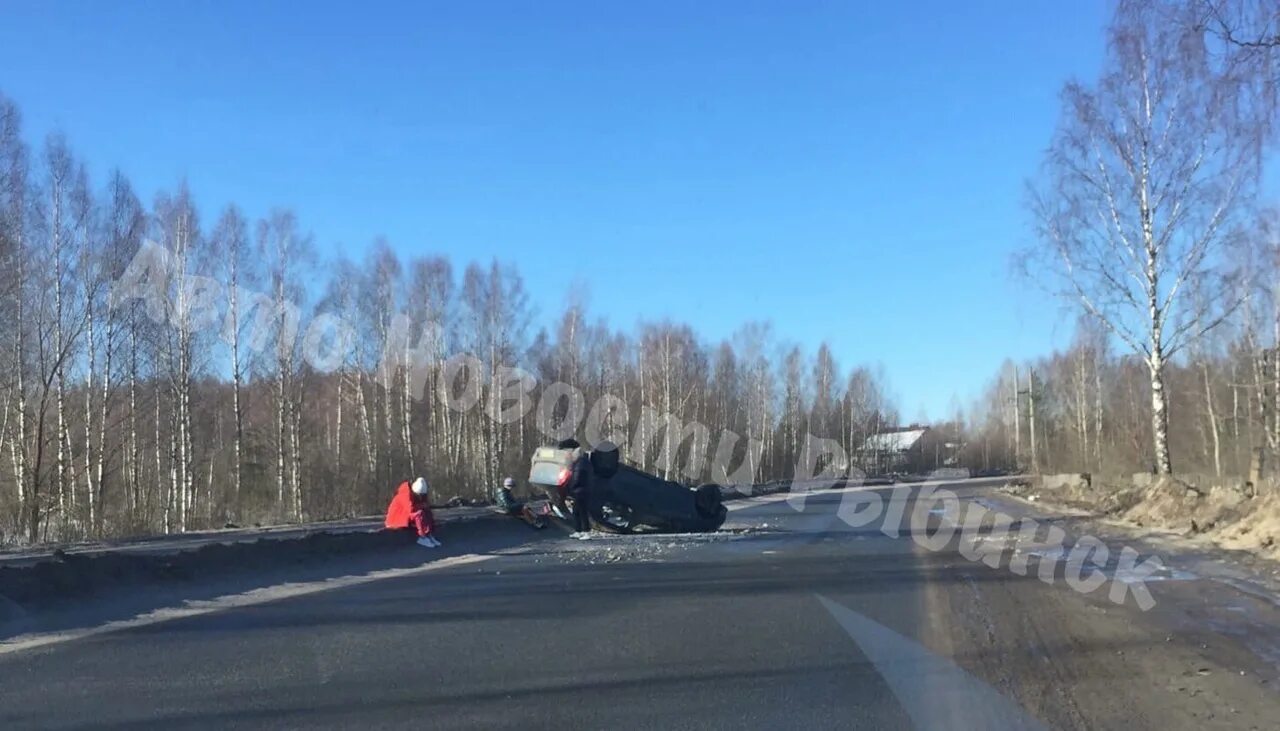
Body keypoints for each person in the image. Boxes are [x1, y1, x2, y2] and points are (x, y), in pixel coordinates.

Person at [384, 476, 441, 548]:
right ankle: (422, 537)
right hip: (395, 519)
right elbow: (410, 509)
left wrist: (425, 506)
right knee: (419, 514)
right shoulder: (404, 495)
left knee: (427, 512)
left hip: (404, 516)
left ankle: (428, 534)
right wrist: (422, 506)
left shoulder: (415, 496)